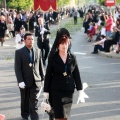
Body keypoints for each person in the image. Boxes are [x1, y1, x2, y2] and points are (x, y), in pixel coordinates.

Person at [43, 28, 87, 120]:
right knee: (59, 115)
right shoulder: (53, 58)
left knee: (65, 115)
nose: (64, 46)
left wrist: (80, 90)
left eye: (66, 43)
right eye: (62, 43)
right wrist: (46, 91)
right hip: (56, 91)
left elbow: (76, 74)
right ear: (58, 45)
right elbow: (48, 75)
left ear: (69, 44)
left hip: (68, 91)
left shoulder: (73, 57)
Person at [15, 32, 45, 120]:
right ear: (24, 40)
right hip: (24, 81)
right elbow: (17, 68)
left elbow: (41, 66)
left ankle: (34, 117)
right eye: (29, 39)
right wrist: (20, 81)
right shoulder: (19, 52)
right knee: (25, 101)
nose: (31, 41)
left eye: (32, 39)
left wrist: (43, 78)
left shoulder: (38, 51)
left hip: (36, 81)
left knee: (34, 101)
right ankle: (25, 116)